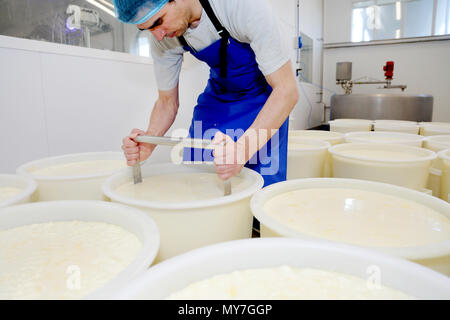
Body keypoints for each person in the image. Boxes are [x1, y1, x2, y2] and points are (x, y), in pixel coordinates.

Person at [115, 0, 298, 189]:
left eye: (158, 21)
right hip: (219, 97)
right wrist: (148, 141)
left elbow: (286, 91)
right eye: (147, 29)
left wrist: (243, 149)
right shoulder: (164, 36)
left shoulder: (241, 6)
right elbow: (166, 102)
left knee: (260, 185)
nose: (159, 36)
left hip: (264, 99)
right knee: (198, 180)